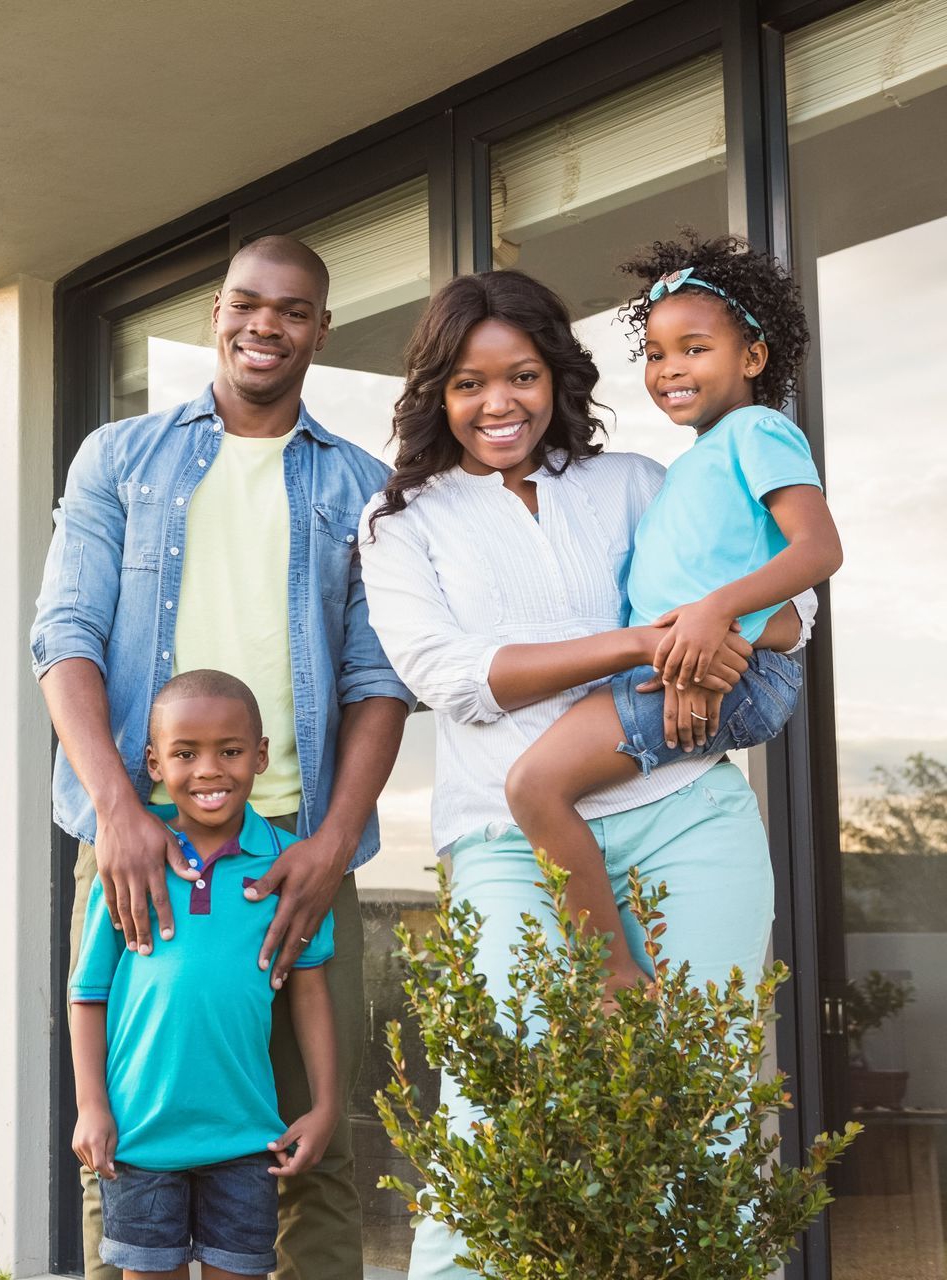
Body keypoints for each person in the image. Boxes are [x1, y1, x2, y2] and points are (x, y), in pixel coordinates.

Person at [355, 268, 814, 1279]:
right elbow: (455, 678)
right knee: (503, 1096)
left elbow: (792, 609)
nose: (499, 403)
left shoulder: (637, 482)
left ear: (557, 378)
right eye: (471, 383)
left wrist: (719, 630)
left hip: (686, 816)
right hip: (510, 840)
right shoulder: (402, 523)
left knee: (702, 1102)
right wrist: (641, 644)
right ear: (438, 391)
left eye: (522, 375)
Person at [32, 233, 413, 1280]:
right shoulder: (121, 457)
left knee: (311, 1147)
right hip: (138, 839)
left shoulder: (363, 486)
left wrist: (333, 842)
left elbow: (381, 676)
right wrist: (120, 810)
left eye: (292, 310)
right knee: (124, 1146)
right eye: (248, 303)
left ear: (321, 329)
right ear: (216, 311)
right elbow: (63, 634)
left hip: (297, 846)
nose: (266, 325)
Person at [504, 233, 840, 994]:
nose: (671, 370)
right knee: (540, 783)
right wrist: (689, 647)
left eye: (694, 349)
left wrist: (712, 621)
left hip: (744, 675)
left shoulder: (759, 432)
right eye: (656, 354)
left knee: (534, 787)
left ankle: (612, 973)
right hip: (707, 666)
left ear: (752, 358)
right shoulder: (692, 464)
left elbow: (817, 550)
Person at [70, 670, 339, 1279]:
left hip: (246, 1142)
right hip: (140, 1140)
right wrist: (92, 1107)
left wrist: (325, 1105)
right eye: (185, 753)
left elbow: (311, 992)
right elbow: (87, 995)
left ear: (262, 756)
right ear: (154, 763)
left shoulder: (287, 865)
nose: (209, 770)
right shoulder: (131, 862)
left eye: (231, 750)